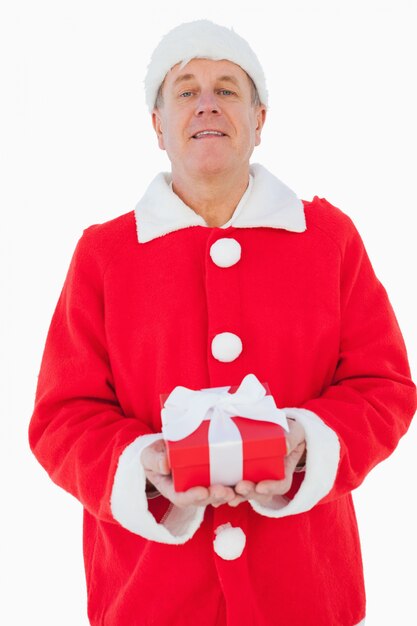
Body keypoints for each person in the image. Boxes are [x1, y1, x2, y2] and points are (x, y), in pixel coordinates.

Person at [28, 19, 416, 626]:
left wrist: (304, 445)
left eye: (228, 89)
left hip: (305, 597)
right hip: (149, 599)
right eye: (185, 90)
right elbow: (60, 418)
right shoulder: (104, 254)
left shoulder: (328, 239)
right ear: (157, 126)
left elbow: (385, 387)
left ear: (260, 119)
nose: (207, 104)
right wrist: (144, 466)